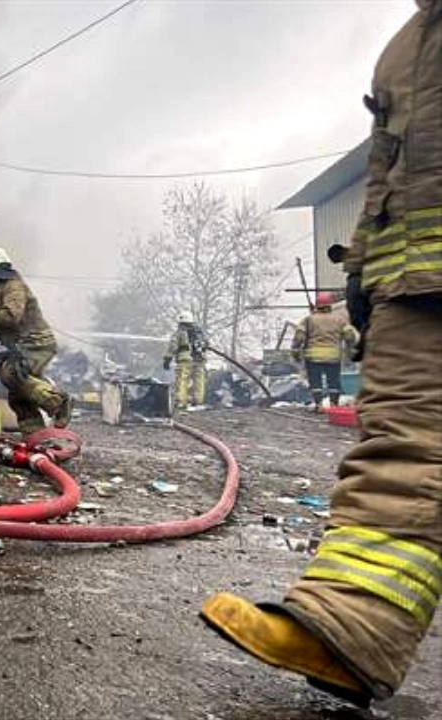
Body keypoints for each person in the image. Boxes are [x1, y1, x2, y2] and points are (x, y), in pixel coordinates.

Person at [201, 2, 442, 708]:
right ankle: (349, 629)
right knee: (400, 448)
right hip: (414, 283)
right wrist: (364, 271)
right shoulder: (407, 46)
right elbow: (386, 179)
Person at [0, 245, 72, 434]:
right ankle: (36, 437)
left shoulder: (12, 286)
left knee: (11, 375)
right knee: (18, 397)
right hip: (22, 345)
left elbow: (11, 317)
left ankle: (59, 400)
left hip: (37, 343)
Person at [291, 292, 358, 410]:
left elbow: (299, 337)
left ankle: (319, 405)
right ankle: (334, 405)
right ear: (330, 305)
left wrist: (295, 352)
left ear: (317, 306)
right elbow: (350, 336)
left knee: (315, 382)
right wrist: (350, 350)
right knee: (333, 381)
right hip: (333, 356)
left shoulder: (308, 319)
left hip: (313, 356)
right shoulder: (339, 320)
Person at [163, 311, 207, 409]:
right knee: (199, 381)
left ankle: (181, 402)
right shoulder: (199, 332)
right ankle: (198, 401)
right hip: (199, 360)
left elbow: (173, 345)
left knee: (182, 380)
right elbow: (207, 344)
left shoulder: (180, 332)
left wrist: (167, 358)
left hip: (185, 359)